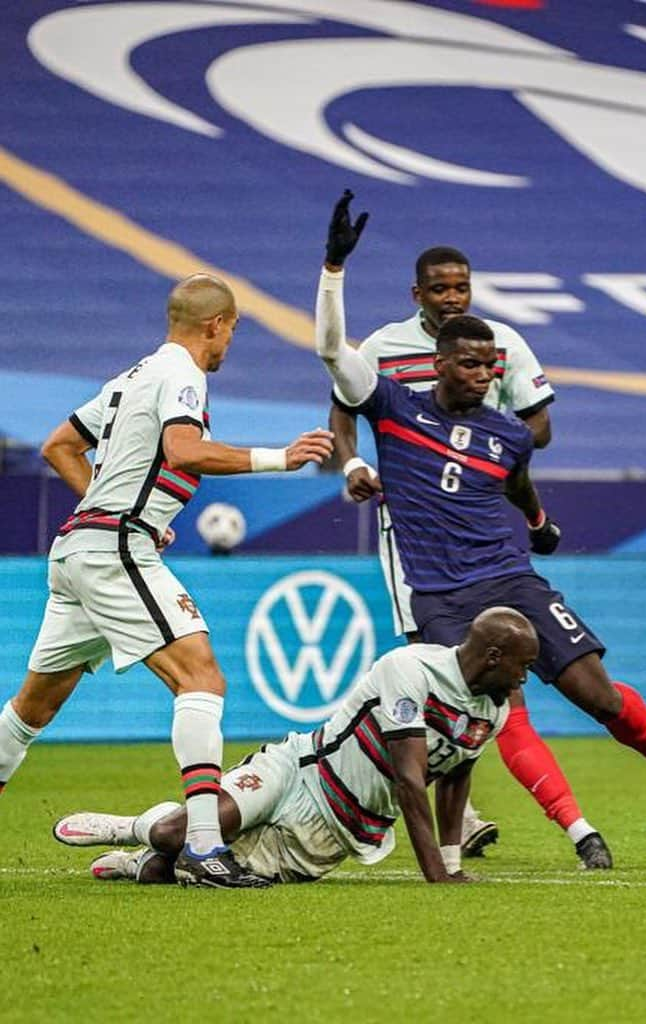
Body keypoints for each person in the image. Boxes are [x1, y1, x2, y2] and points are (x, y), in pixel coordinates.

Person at [315, 196, 646, 863]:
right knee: (489, 710)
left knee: (593, 692)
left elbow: (524, 464)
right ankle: (577, 835)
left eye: (491, 366)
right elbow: (338, 382)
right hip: (430, 578)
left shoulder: (507, 418)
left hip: (507, 572)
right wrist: (335, 270)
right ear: (428, 332)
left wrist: (539, 523)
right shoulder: (390, 384)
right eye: (442, 290)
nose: (487, 371)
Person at [0, 273, 334, 889]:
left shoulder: (132, 376)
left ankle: (202, 842)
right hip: (112, 551)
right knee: (200, 675)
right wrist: (279, 457)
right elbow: (183, 451)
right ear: (216, 324)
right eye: (232, 328)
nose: (230, 341)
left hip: (81, 547)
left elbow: (59, 446)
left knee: (31, 709)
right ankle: (205, 847)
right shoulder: (183, 374)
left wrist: (120, 508)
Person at [325, 193, 602, 866]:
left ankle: (458, 809)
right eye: (441, 288)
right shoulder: (386, 351)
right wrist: (355, 462)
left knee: (499, 673)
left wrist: (483, 438)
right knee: (442, 667)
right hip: (413, 533)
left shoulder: (499, 343)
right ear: (417, 293)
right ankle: (451, 811)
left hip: (482, 520)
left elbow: (537, 425)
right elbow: (342, 402)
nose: (454, 297)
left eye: (463, 287)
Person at [53, 607, 539, 886]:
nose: (526, 676)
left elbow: (455, 780)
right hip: (299, 770)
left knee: (169, 870)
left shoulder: (491, 710)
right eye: (524, 664)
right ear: (494, 656)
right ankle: (133, 828)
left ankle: (143, 860)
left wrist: (455, 865)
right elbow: (411, 779)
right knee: (184, 832)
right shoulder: (411, 670)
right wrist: (438, 875)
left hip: (339, 828)